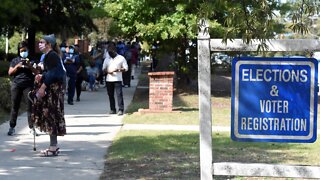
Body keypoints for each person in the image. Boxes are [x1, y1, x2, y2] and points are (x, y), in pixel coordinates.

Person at [31, 34, 66, 156]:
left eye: (42, 42)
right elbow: (50, 72)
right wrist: (42, 76)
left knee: (51, 116)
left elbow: (54, 74)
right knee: (50, 116)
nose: (39, 44)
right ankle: (53, 146)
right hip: (53, 89)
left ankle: (52, 147)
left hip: (53, 91)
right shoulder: (49, 56)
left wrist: (43, 86)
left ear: (49, 44)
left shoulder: (52, 55)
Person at [7, 41, 39, 136]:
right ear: (19, 51)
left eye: (25, 50)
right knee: (15, 106)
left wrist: (29, 65)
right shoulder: (15, 60)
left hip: (28, 85)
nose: (23, 52)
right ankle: (12, 127)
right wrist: (18, 66)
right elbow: (10, 73)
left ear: (28, 50)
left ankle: (31, 127)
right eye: (22, 50)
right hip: (16, 85)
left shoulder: (32, 60)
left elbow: (37, 72)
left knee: (30, 107)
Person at [102, 42, 128, 116]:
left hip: (117, 79)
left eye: (111, 52)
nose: (110, 53)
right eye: (108, 52)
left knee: (119, 94)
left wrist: (118, 70)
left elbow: (126, 68)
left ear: (114, 50)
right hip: (109, 79)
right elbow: (103, 69)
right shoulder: (107, 59)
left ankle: (121, 109)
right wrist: (108, 71)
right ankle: (112, 109)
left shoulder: (121, 58)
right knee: (110, 95)